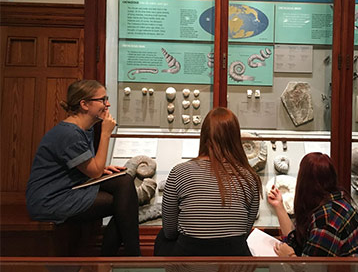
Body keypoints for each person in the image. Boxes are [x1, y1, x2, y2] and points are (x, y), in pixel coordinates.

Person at [26, 80, 141, 256]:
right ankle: (129, 258)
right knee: (124, 204)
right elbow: (94, 171)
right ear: (84, 104)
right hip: (51, 199)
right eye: (103, 99)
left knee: (124, 182)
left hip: (71, 188)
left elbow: (89, 168)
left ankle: (119, 259)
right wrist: (105, 133)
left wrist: (100, 168)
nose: (107, 104)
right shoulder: (69, 133)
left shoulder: (81, 129)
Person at [154, 107, 261, 256]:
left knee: (162, 238)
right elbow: (245, 229)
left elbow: (170, 231)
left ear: (203, 135)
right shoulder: (250, 177)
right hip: (233, 256)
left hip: (190, 256)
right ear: (236, 137)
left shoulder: (179, 171)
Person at [267, 152, 358, 257]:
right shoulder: (332, 202)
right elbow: (296, 241)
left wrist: (290, 256)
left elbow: (313, 268)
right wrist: (278, 205)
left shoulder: (326, 219)